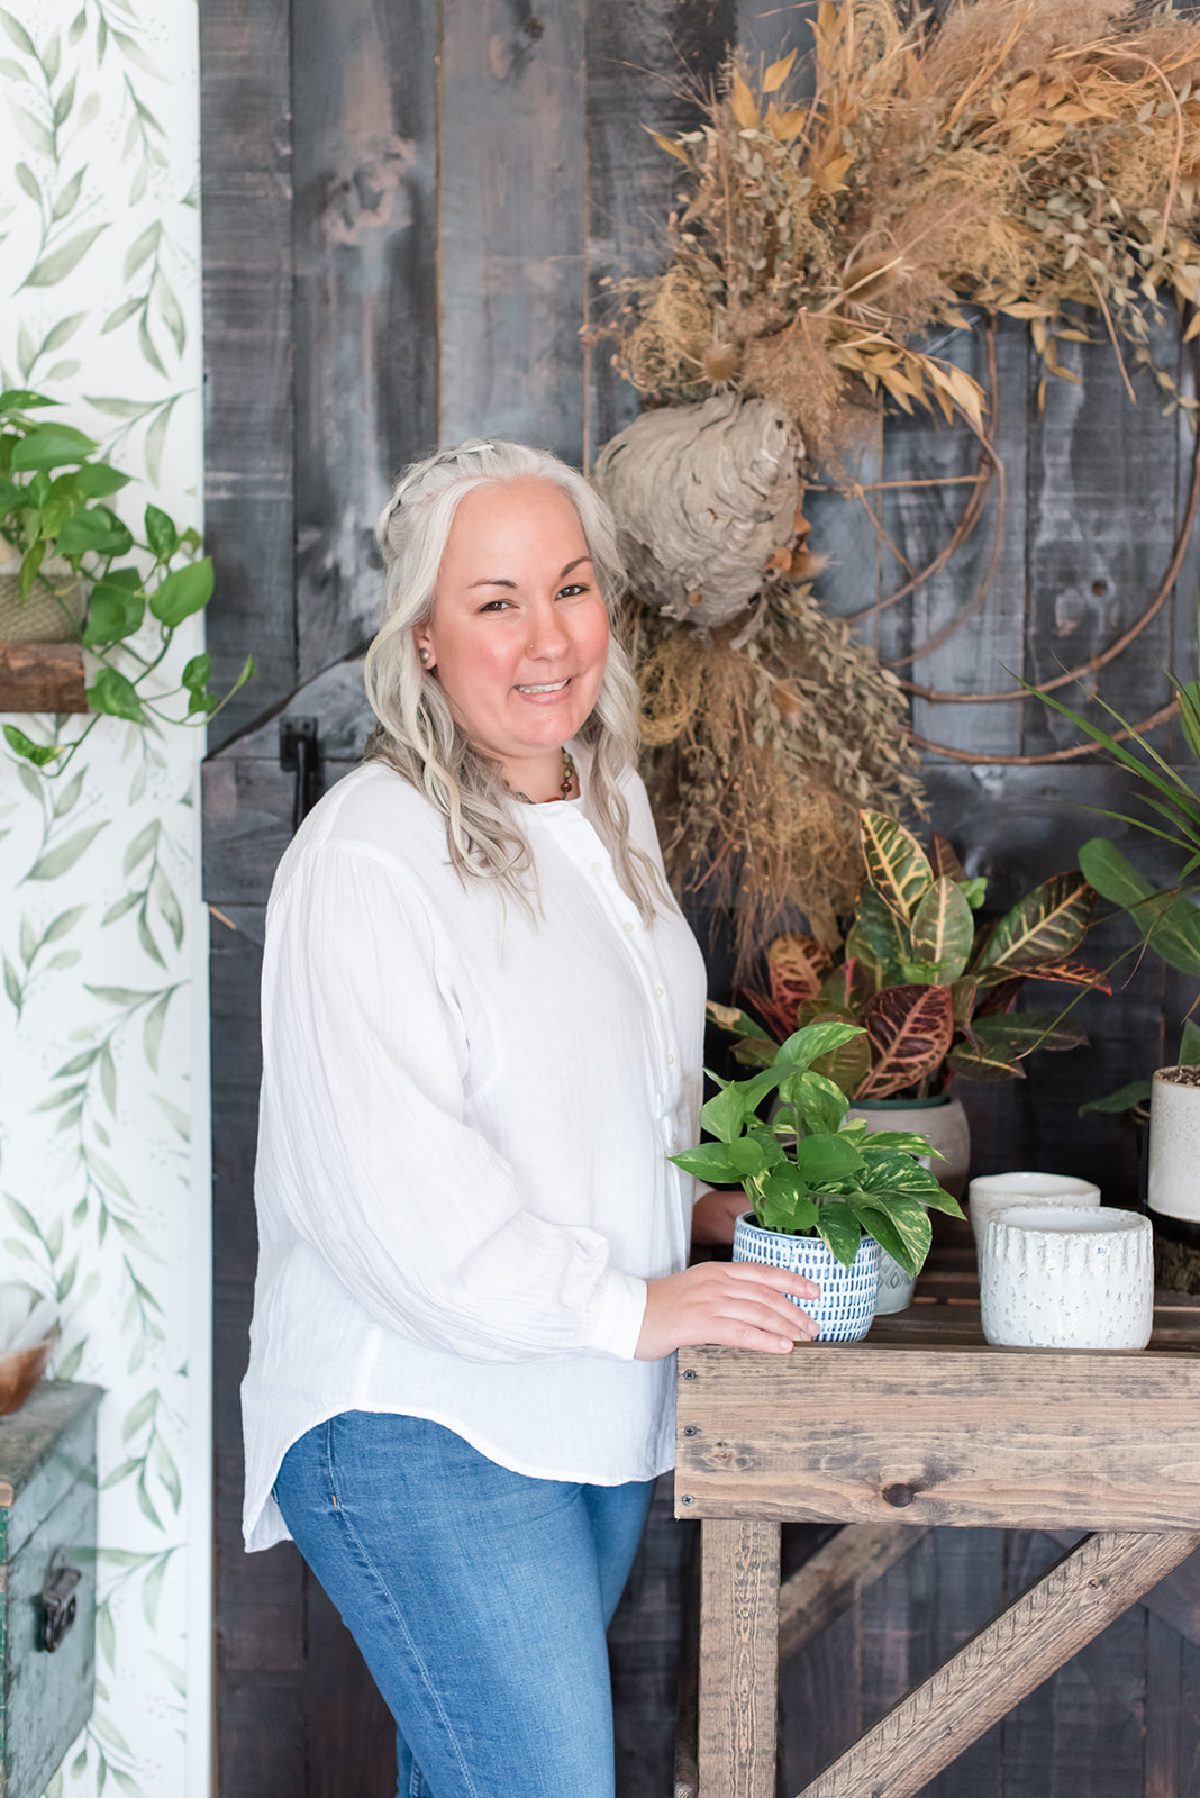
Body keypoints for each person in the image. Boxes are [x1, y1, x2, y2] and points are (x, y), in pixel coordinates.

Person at [240, 440, 819, 1798]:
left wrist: (688, 1217)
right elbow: (399, 1204)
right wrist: (645, 1307)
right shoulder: (367, 855)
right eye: (495, 601)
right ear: (425, 640)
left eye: (570, 587)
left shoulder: (603, 805)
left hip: (573, 1400)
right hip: (419, 1411)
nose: (547, 637)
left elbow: (581, 1086)